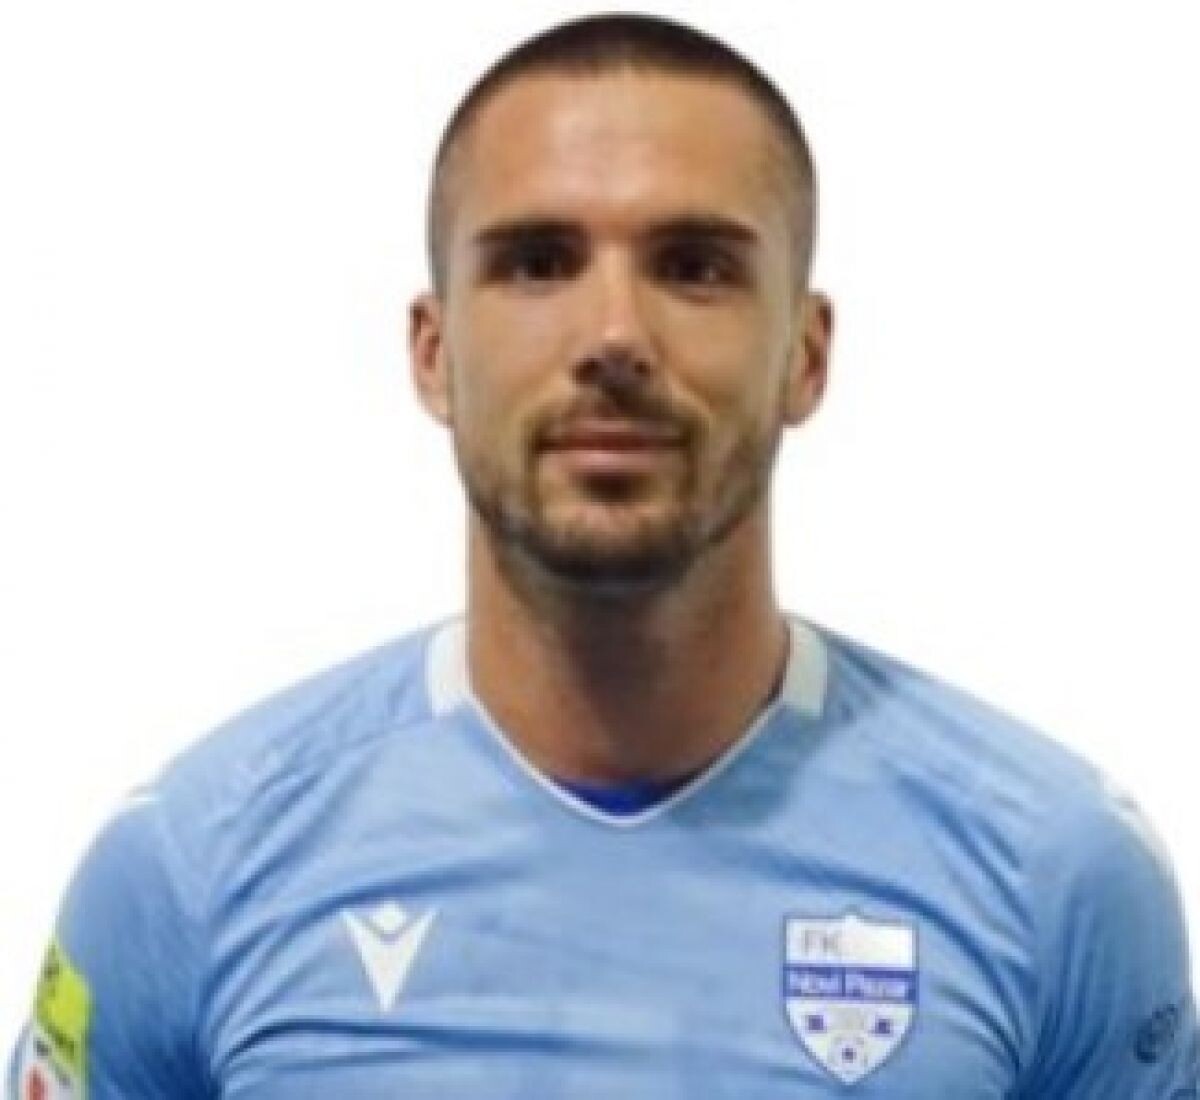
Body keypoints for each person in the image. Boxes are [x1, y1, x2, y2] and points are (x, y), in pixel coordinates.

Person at [8, 11, 1198, 1098]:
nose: (615, 333)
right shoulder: (195, 871)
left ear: (806, 353)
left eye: (694, 266)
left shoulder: (1053, 875)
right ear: (433, 352)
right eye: (537, 261)